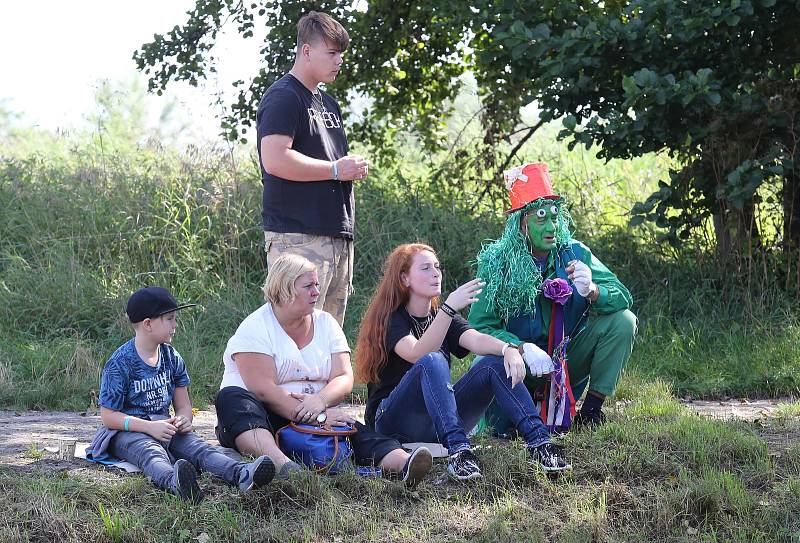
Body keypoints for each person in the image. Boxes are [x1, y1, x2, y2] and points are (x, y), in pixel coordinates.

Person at [354, 243, 571, 481]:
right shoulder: (392, 319)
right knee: (431, 360)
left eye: (437, 267)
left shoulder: (441, 316)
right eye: (425, 268)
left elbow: (476, 340)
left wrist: (509, 348)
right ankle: (459, 452)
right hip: (392, 423)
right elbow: (417, 353)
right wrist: (448, 308)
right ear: (404, 278)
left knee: (492, 363)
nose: (436, 273)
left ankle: (540, 444)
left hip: (435, 423)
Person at [214, 254, 432, 489]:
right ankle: (284, 467)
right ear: (285, 290)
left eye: (317, 284)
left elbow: (344, 377)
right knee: (231, 398)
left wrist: (321, 402)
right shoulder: (255, 327)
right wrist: (315, 414)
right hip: (264, 414)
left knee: (355, 431)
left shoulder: (326, 323)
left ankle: (404, 464)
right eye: (308, 286)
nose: (317, 292)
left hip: (318, 412)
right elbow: (263, 390)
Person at [469, 163, 637, 431]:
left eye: (554, 217)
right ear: (522, 224)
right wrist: (519, 347)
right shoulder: (496, 264)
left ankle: (591, 412)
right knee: (496, 403)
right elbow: (480, 327)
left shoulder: (575, 253)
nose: (551, 226)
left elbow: (623, 297)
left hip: (564, 363)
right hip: (517, 367)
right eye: (541, 218)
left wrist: (593, 290)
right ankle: (515, 419)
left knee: (623, 321)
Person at [86, 287, 275, 503]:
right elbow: (108, 416)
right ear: (148, 324)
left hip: (164, 425)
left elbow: (183, 405)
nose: (175, 325)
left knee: (199, 449)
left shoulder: (172, 357)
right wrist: (149, 427)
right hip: (125, 432)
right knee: (151, 453)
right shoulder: (120, 363)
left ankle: (244, 473)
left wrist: (184, 419)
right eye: (170, 319)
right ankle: (175, 482)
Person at [257, 10, 369, 327]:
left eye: (341, 54)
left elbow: (328, 162)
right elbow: (275, 159)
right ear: (306, 51)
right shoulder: (283, 96)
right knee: (292, 330)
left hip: (336, 235)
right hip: (298, 236)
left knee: (326, 333)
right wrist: (335, 169)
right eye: (331, 53)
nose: (339, 61)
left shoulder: (327, 102)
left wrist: (346, 169)